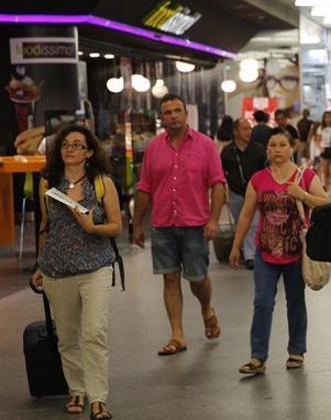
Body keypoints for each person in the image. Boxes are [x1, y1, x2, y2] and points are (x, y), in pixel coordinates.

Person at [30, 124, 121, 420]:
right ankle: (77, 390)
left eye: (77, 145)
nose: (70, 149)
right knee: (67, 337)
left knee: (93, 332)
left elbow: (116, 227)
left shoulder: (102, 183)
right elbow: (46, 226)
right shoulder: (48, 183)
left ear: (90, 152)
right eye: (65, 144)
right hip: (57, 270)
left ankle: (98, 398)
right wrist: (40, 264)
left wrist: (91, 226)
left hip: (96, 267)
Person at [229, 128, 329, 374]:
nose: (277, 149)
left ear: (292, 147)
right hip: (265, 252)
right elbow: (246, 213)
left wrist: (303, 195)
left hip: (296, 252)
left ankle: (296, 351)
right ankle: (257, 357)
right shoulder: (258, 179)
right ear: (267, 149)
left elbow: (326, 201)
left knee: (295, 303)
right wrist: (236, 245)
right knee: (262, 303)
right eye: (273, 145)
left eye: (283, 144)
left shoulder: (305, 176)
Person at [133, 93, 226, 356]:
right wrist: (137, 224)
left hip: (195, 224)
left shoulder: (205, 145)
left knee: (197, 278)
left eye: (177, 111)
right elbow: (144, 187)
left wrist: (214, 219)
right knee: (170, 278)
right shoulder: (153, 148)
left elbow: (218, 184)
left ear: (186, 114)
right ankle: (177, 334)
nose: (172, 115)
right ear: (162, 117)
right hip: (162, 224)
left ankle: (206, 309)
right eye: (167, 112)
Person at [220, 118, 267, 270]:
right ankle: (242, 250)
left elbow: (267, 171)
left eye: (249, 128)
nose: (248, 132)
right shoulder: (228, 151)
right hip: (235, 193)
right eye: (245, 129)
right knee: (240, 223)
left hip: (255, 193)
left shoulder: (259, 150)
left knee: (253, 223)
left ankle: (250, 256)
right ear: (236, 132)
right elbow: (221, 171)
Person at [314, 111, 331, 191]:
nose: (327, 119)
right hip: (324, 150)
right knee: (325, 172)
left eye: (329, 117)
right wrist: (320, 148)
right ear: (323, 118)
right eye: (326, 117)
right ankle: (328, 191)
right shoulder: (320, 128)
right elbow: (317, 140)